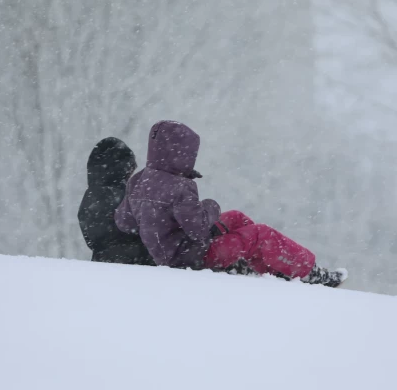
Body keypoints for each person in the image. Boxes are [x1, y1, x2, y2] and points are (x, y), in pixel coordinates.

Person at [115, 120, 347, 287]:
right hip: (193, 258)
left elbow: (124, 222)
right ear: (181, 154)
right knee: (260, 234)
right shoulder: (180, 186)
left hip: (177, 252)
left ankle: (270, 270)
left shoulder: (139, 178)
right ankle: (310, 273)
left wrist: (157, 225)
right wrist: (210, 206)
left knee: (236, 217)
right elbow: (197, 229)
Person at [78, 137, 155, 266]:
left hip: (102, 264)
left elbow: (93, 237)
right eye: (129, 172)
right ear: (120, 170)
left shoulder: (91, 197)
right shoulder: (120, 197)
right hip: (131, 267)